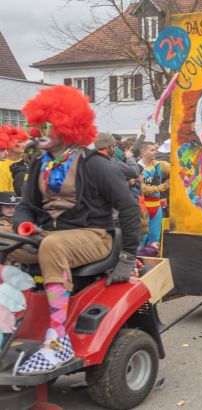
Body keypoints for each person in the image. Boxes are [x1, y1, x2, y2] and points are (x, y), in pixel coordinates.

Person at [13, 85, 140, 375]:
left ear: (65, 126)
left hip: (95, 236)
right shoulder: (39, 165)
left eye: (45, 126)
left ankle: (58, 340)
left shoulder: (96, 165)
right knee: (6, 243)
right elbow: (26, 206)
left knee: (52, 246)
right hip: (49, 236)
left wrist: (128, 256)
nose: (36, 133)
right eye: (37, 126)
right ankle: (8, 324)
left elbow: (129, 208)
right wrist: (21, 225)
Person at [138, 141, 170, 251]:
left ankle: (151, 258)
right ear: (143, 152)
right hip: (142, 207)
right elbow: (143, 189)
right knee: (142, 238)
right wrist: (163, 187)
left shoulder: (159, 165)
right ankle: (139, 259)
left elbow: (175, 169)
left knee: (154, 239)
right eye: (152, 150)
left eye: (155, 149)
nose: (155, 152)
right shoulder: (136, 167)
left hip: (156, 207)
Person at [0, 126, 30, 192]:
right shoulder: (1, 166)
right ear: (8, 142)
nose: (24, 145)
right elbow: (2, 194)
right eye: (20, 142)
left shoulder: (25, 163)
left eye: (24, 142)